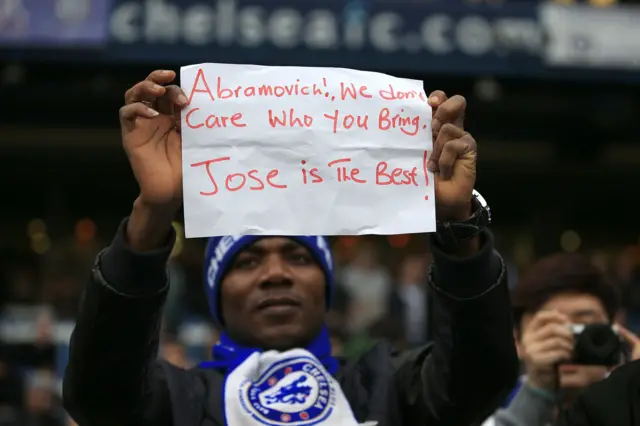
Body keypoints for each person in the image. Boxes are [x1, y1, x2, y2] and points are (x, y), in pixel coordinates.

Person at [62, 69, 519, 426]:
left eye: (299, 256)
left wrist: (458, 225)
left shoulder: (388, 386)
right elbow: (100, 398)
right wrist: (153, 211)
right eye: (247, 260)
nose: (275, 273)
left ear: (327, 282)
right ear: (217, 293)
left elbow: (479, 379)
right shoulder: (179, 401)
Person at [483, 253, 640, 426]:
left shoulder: (629, 395)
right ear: (517, 340)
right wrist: (537, 392)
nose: (566, 341)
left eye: (584, 327)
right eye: (550, 328)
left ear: (615, 333)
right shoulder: (479, 407)